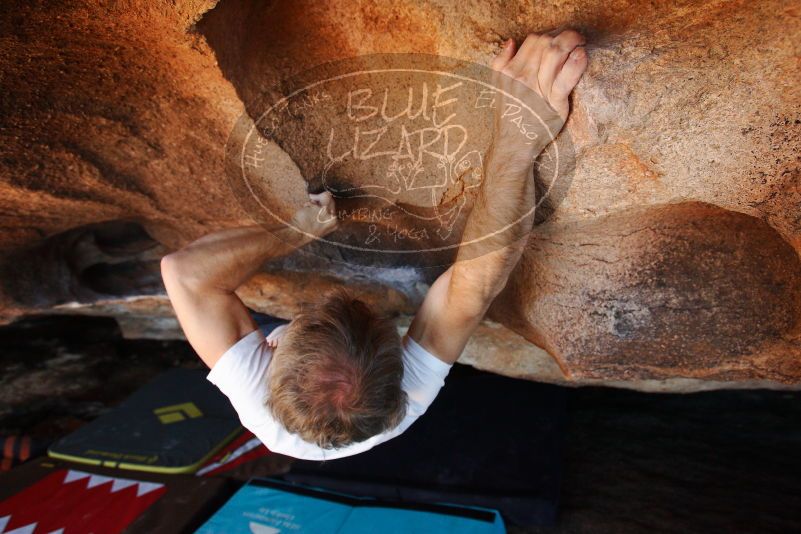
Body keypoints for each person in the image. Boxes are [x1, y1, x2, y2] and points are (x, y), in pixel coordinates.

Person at [161, 31, 588, 460]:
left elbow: (183, 272)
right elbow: (474, 286)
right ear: (399, 361)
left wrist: (297, 230)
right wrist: (517, 136)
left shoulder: (250, 386)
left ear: (271, 353)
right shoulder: (410, 396)